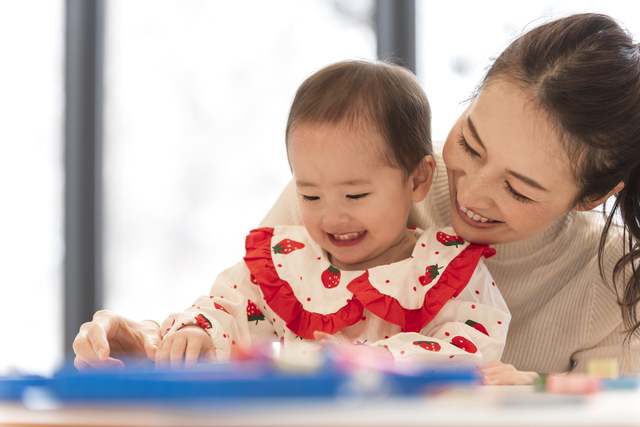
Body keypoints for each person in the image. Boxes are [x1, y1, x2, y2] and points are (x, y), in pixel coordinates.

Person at [73, 12, 640, 385]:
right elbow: (243, 317)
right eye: (469, 141)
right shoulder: (350, 185)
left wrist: (536, 400)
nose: (471, 190)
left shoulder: (615, 281)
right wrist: (155, 341)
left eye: (518, 188)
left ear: (591, 196)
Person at [153, 59, 509, 369]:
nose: (332, 216)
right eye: (309, 195)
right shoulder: (288, 263)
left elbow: (467, 348)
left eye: (355, 194)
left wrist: (377, 359)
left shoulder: (444, 269)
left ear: (417, 179)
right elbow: (227, 308)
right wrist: (197, 330)